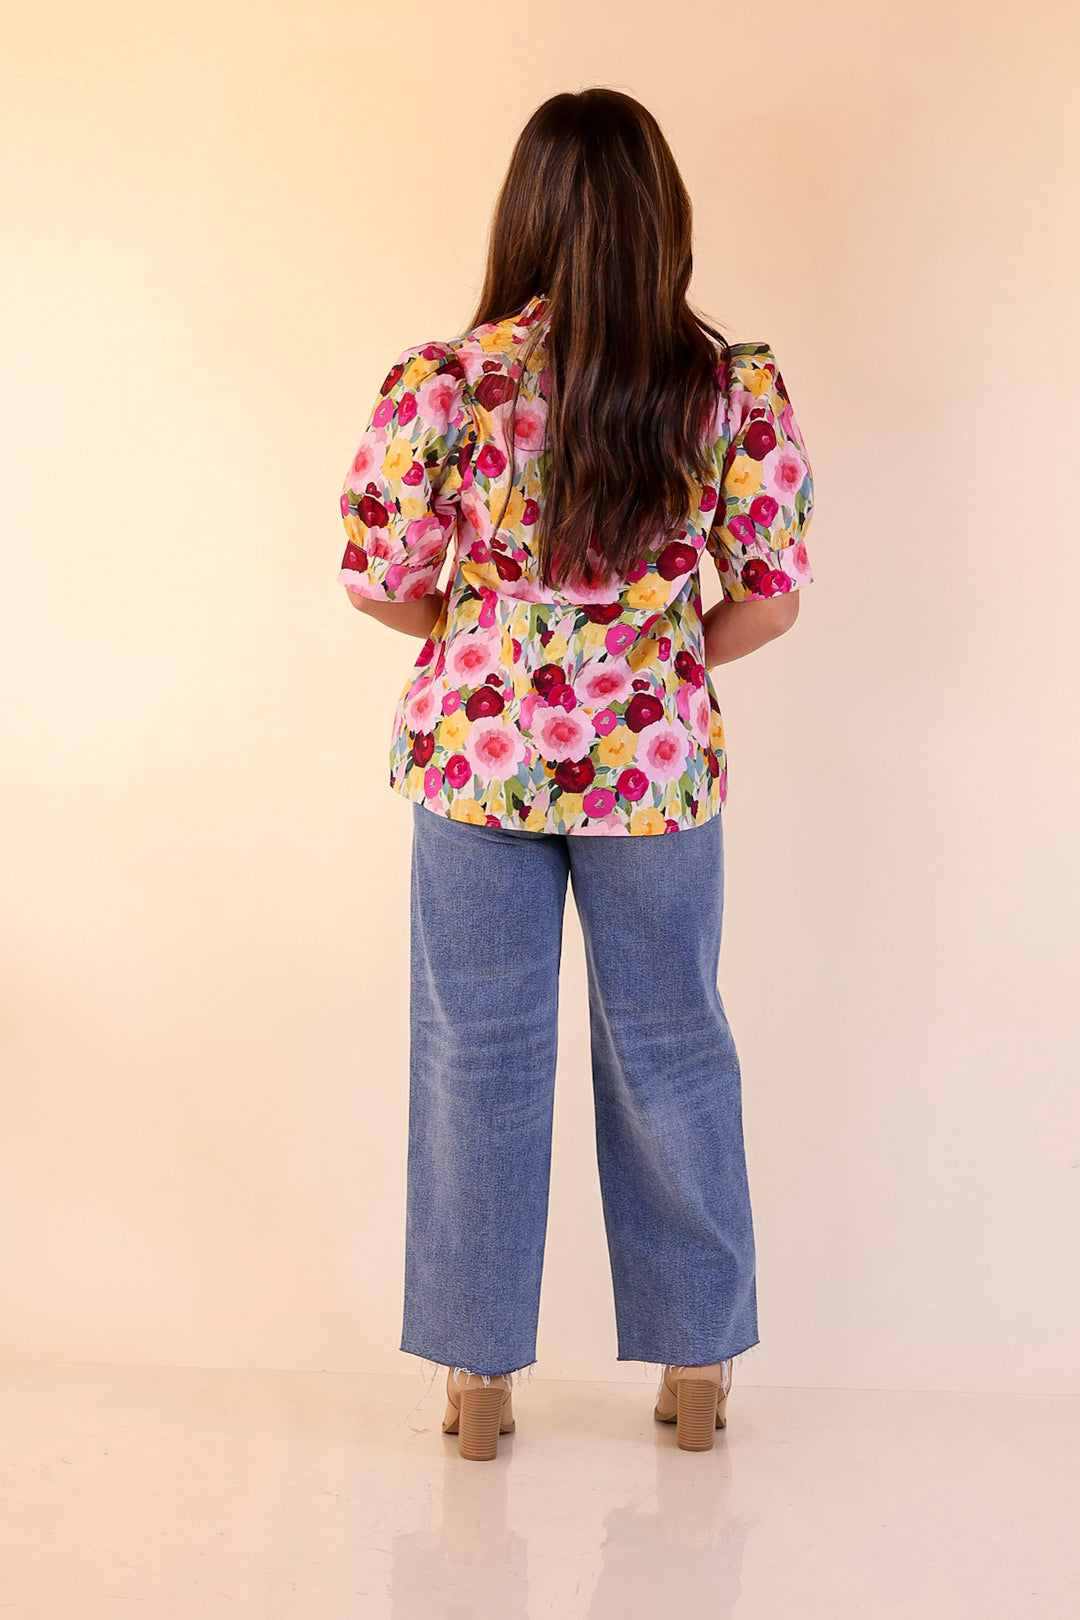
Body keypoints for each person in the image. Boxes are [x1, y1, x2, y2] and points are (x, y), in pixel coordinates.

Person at [336, 88, 815, 1460]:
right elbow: (773, 600)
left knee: (474, 1052)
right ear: (663, 216)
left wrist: (484, 644)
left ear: (528, 210)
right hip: (655, 773)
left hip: (475, 770)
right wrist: (660, 666)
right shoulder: (725, 385)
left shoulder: (448, 379)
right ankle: (699, 1368)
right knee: (672, 1046)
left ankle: (478, 1387)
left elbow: (379, 579)